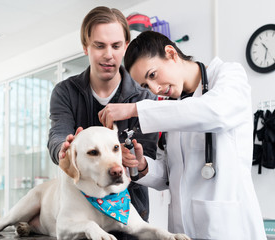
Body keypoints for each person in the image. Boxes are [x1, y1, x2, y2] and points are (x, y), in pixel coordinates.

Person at [98, 31, 267, 239]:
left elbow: (217, 111)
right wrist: (142, 165)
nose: (154, 89)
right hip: (181, 229)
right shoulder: (171, 109)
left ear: (171, 53)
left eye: (152, 75)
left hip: (228, 227)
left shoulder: (228, 74)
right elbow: (169, 177)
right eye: (145, 86)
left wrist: (136, 109)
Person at [47, 6, 159, 222]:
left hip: (129, 214)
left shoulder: (145, 100)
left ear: (125, 46)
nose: (109, 55)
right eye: (99, 46)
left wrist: (135, 161)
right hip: (77, 212)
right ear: (85, 47)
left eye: (116, 46)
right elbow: (57, 135)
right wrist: (64, 148)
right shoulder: (65, 92)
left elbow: (149, 159)